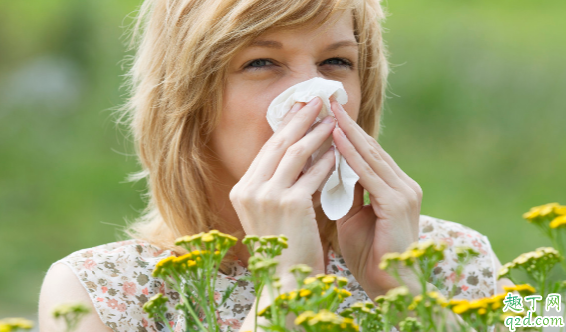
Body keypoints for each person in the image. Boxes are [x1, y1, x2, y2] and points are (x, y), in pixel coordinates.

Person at [38, 0, 514, 331]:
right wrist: (284, 287)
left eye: (336, 62)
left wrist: (408, 291)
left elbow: (551, 317)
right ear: (189, 99)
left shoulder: (463, 253)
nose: (317, 95)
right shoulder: (94, 290)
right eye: (262, 62)